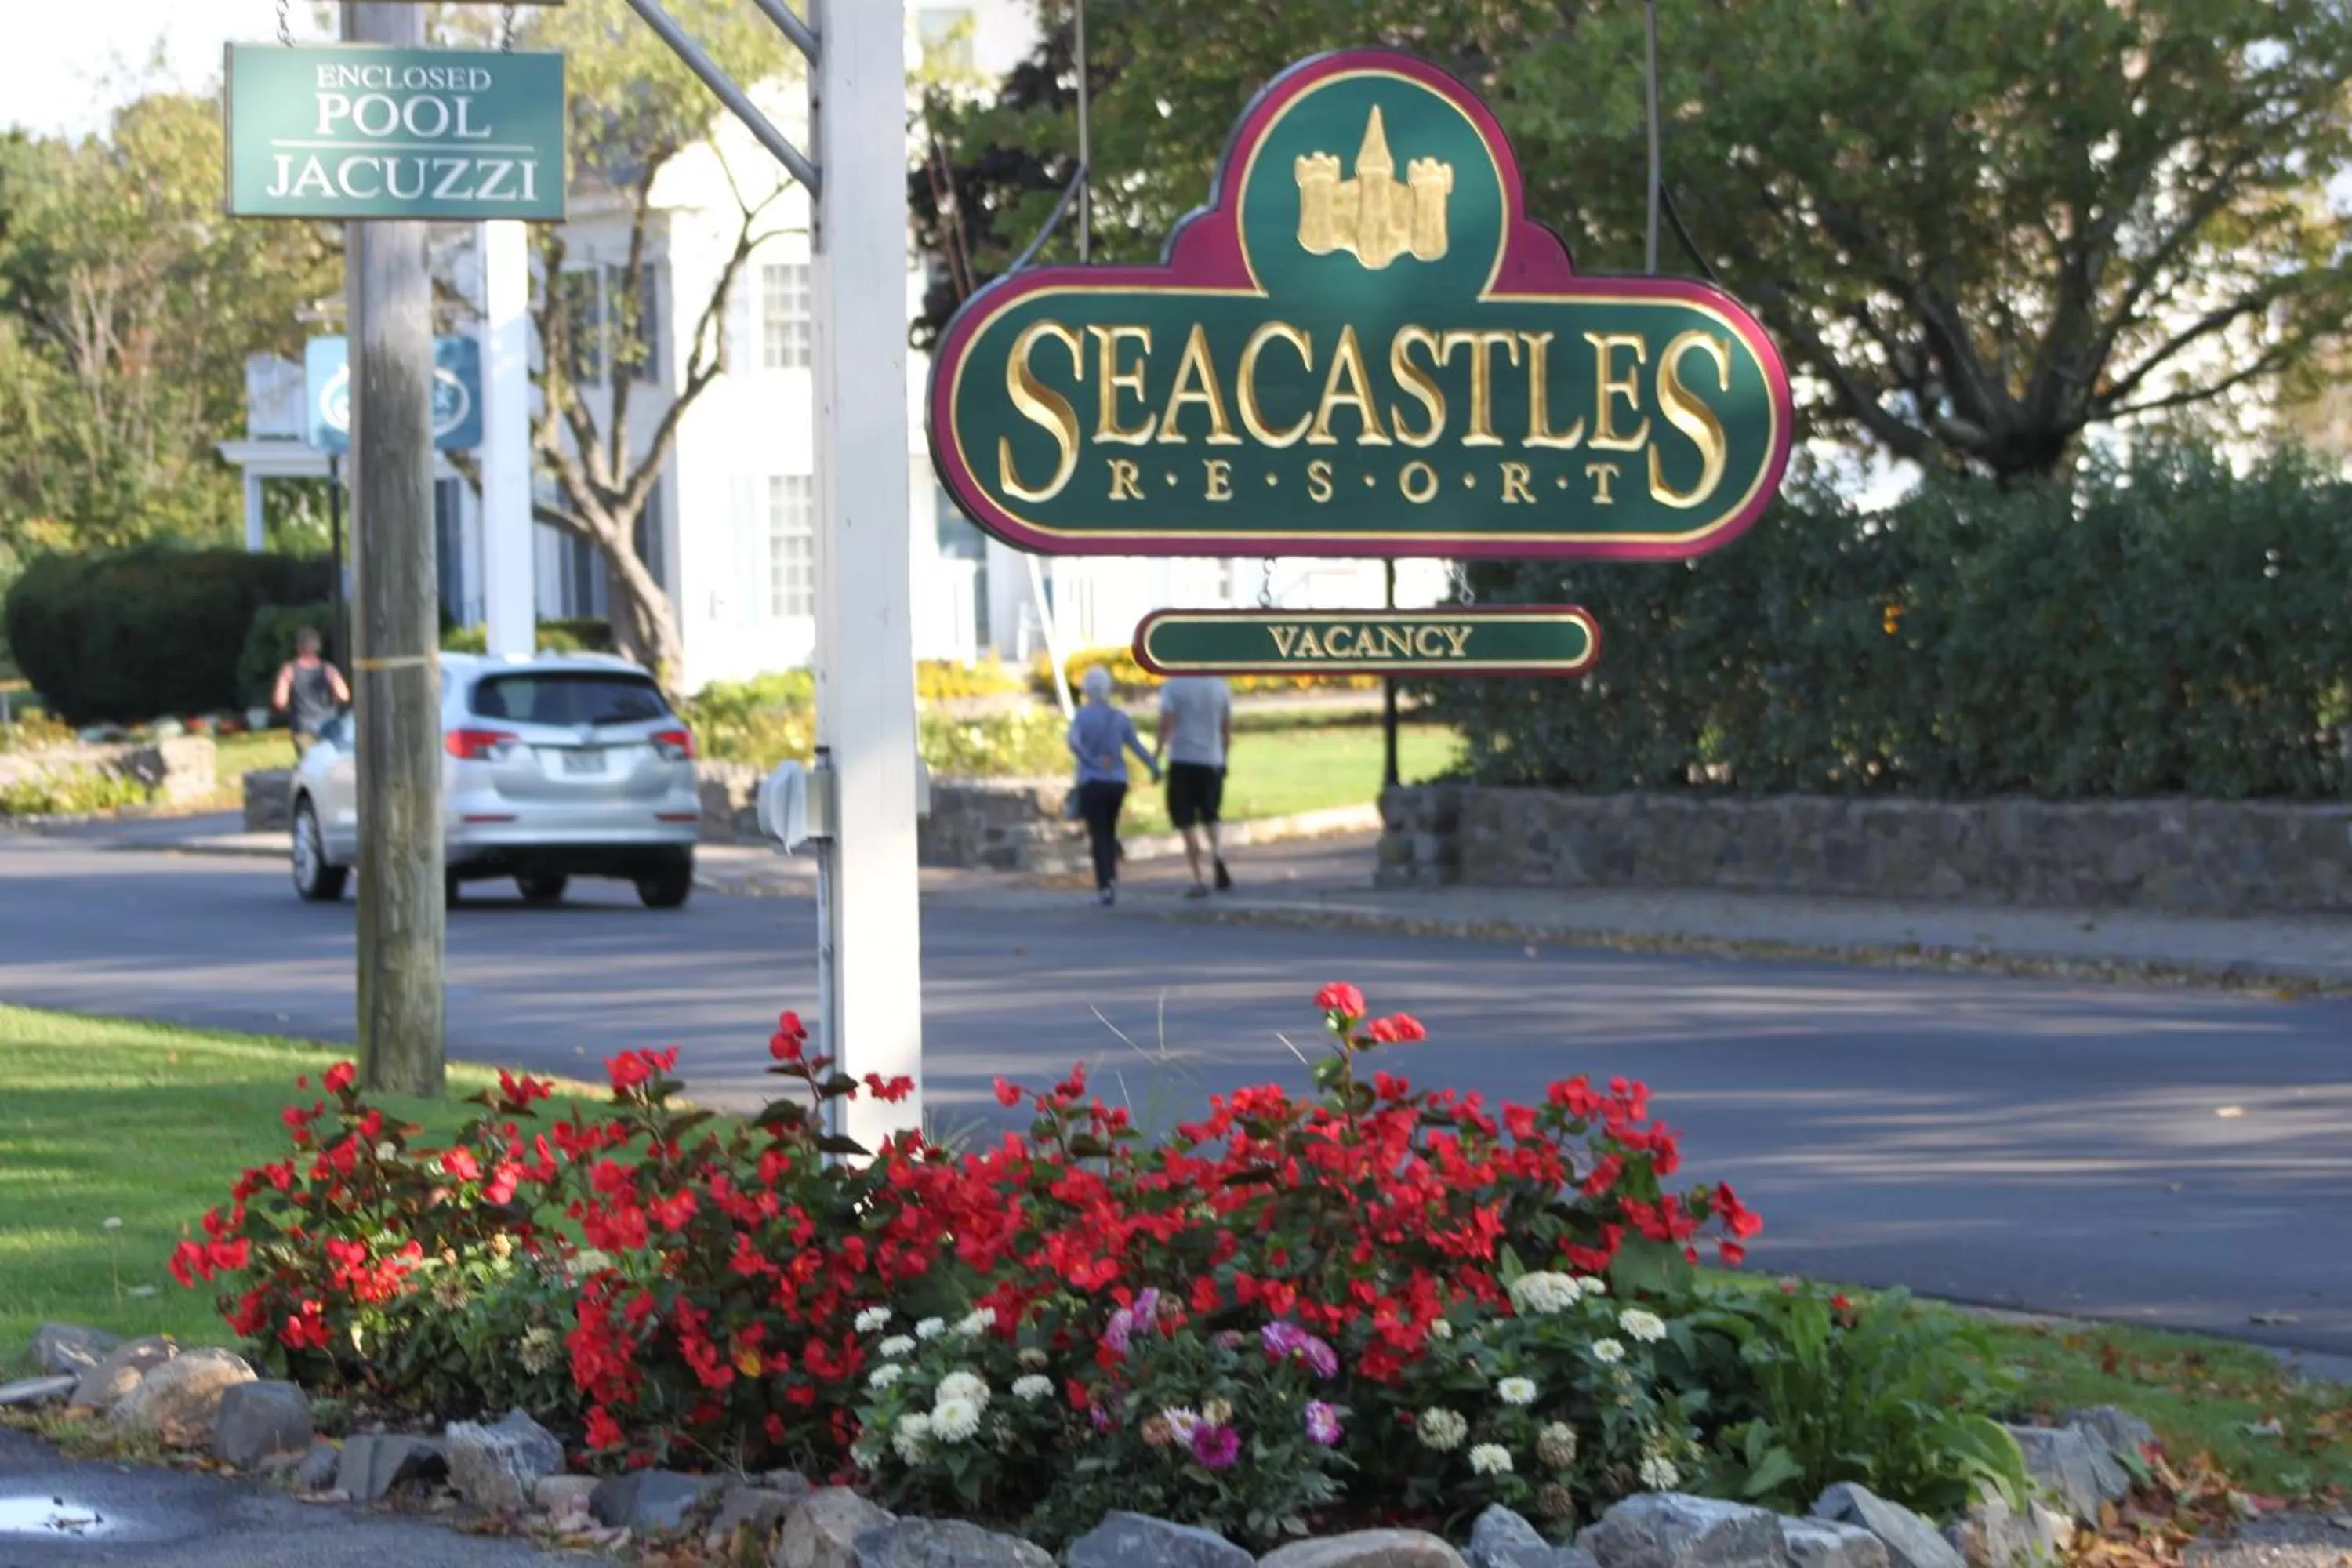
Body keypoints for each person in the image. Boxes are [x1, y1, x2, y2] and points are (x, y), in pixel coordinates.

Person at [1067, 665, 1157, 906]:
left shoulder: (1081, 717)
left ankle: (1105, 884)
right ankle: (1112, 875)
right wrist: (1154, 767)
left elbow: (1073, 743)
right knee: (1109, 828)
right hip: (1117, 782)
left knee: (1098, 834)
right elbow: (1136, 747)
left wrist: (1090, 761)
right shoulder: (1119, 718)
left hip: (1091, 782)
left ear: (1086, 690)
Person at [1156, 673, 1234, 898]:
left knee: (1184, 818)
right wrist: (1224, 758)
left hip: (1181, 759)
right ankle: (1218, 854)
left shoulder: (1173, 686)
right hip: (1212, 759)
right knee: (1211, 813)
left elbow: (1166, 723)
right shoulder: (1220, 685)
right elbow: (1226, 727)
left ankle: (1198, 877)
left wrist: (1157, 753)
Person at [271, 626, 350, 759]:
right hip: (327, 724)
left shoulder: (289, 670)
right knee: (330, 764)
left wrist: (288, 708)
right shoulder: (328, 669)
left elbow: (280, 701)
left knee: (308, 764)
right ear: (317, 647)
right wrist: (333, 702)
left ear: (298, 647)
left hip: (302, 726)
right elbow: (344, 695)